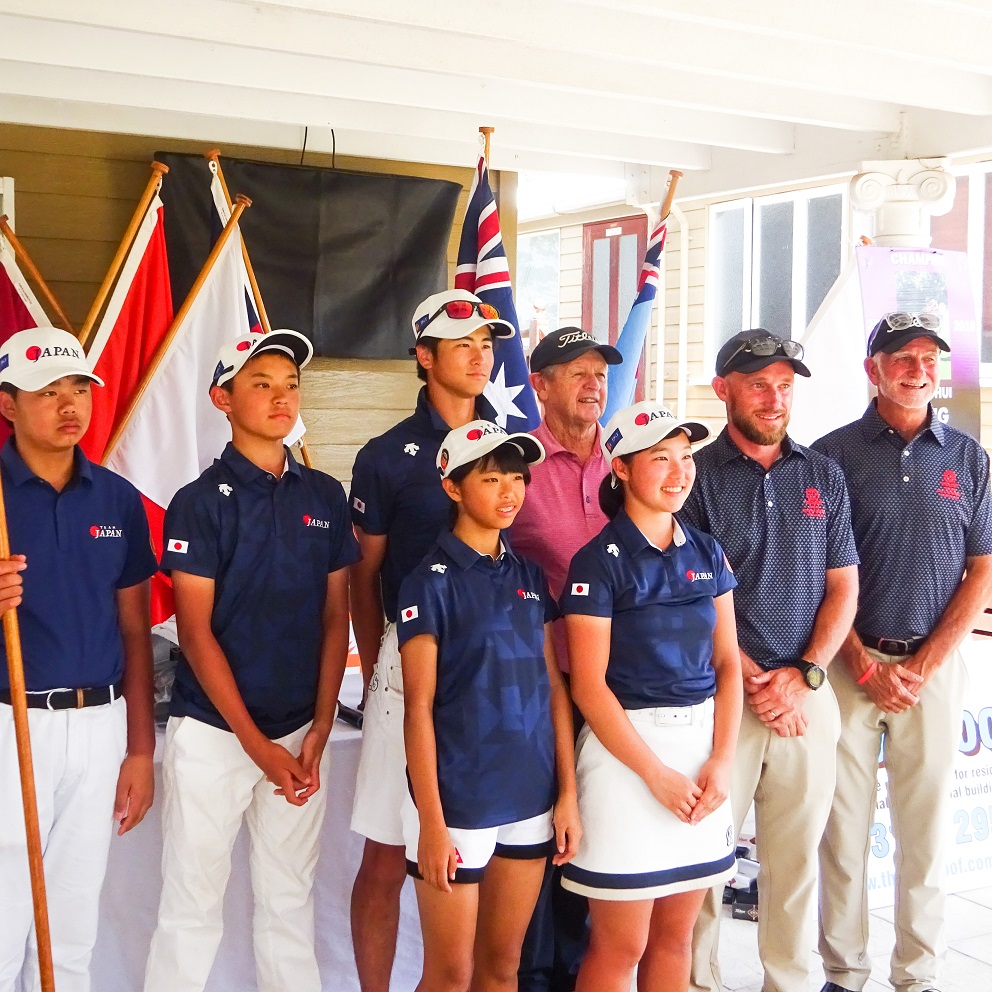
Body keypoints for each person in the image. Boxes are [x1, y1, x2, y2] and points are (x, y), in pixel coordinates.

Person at [143, 329, 358, 992]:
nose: (281, 398)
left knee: (289, 904)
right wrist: (256, 744)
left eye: (290, 385)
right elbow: (195, 632)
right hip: (216, 733)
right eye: (261, 384)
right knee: (191, 910)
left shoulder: (323, 494)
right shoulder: (199, 501)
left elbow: (336, 618)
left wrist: (321, 724)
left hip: (300, 732)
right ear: (223, 399)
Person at [813, 312, 992, 992]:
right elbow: (818, 575)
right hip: (847, 669)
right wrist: (862, 661)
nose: (919, 371)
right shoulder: (830, 457)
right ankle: (844, 973)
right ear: (874, 370)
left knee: (925, 833)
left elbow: (982, 571)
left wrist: (923, 665)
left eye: (928, 359)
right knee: (843, 830)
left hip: (931, 673)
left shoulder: (968, 458)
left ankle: (917, 975)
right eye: (903, 358)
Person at [683, 330, 860, 992]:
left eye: (784, 385)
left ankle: (786, 982)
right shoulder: (695, 475)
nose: (774, 398)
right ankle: (696, 982)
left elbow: (843, 587)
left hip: (805, 696)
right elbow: (690, 592)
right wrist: (754, 678)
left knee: (794, 865)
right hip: (721, 698)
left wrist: (805, 673)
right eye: (759, 384)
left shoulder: (823, 475)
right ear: (723, 389)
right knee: (702, 862)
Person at [348, 289, 514, 991]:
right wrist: (378, 672)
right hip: (407, 662)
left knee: (482, 850)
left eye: (487, 345)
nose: (479, 357)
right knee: (389, 854)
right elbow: (364, 578)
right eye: (461, 345)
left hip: (495, 667)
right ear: (424, 356)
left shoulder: (509, 439)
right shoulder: (387, 456)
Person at [559, 401, 741, 992]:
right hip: (626, 758)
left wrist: (722, 760)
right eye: (660, 458)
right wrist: (655, 774)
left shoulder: (708, 552)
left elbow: (727, 665)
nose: (679, 471)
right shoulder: (596, 562)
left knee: (675, 940)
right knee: (621, 946)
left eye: (685, 456)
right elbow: (589, 687)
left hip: (701, 756)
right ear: (621, 468)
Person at [398, 419, 581, 992]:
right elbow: (418, 708)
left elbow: (553, 689)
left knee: (503, 969)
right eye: (491, 478)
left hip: (530, 796)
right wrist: (431, 822)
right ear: (452, 486)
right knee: (449, 976)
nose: (510, 492)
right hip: (457, 802)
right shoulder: (427, 582)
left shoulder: (530, 575)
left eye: (518, 478)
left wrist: (567, 794)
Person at [0, 325, 157, 992]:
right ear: (7, 404)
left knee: (70, 929)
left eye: (80, 389)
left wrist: (140, 749)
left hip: (100, 726)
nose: (70, 405)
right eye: (47, 392)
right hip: (11, 725)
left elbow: (135, 631)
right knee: (3, 918)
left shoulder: (117, 498)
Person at [511, 325, 621, 992]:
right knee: (543, 842)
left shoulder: (630, 463)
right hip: (539, 690)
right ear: (540, 386)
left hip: (621, 691)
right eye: (576, 373)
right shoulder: (517, 466)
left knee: (600, 843)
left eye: (599, 374)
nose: (592, 385)